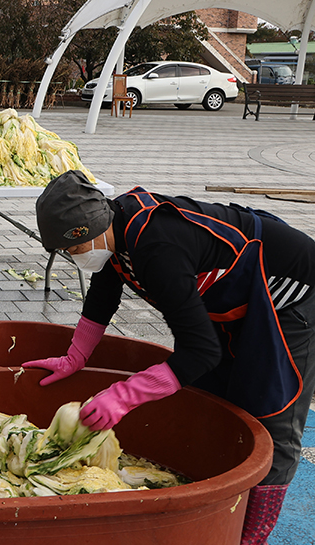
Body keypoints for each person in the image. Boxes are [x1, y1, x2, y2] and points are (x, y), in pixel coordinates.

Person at [25, 170, 315, 544]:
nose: (74, 257)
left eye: (74, 249)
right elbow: (102, 296)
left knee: (271, 409)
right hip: (230, 301)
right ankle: (215, 498)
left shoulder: (157, 248)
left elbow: (201, 351)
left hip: (286, 296)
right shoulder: (115, 233)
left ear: (92, 229)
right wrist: (74, 357)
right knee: (217, 394)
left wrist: (124, 395)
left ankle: (250, 534)